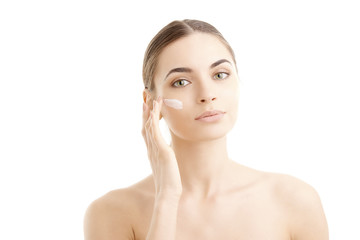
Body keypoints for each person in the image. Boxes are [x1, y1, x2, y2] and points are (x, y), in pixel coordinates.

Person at [83, 19, 329, 240]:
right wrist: (166, 198)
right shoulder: (111, 213)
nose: (207, 94)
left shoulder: (295, 200)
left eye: (220, 75)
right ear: (150, 103)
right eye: (181, 82)